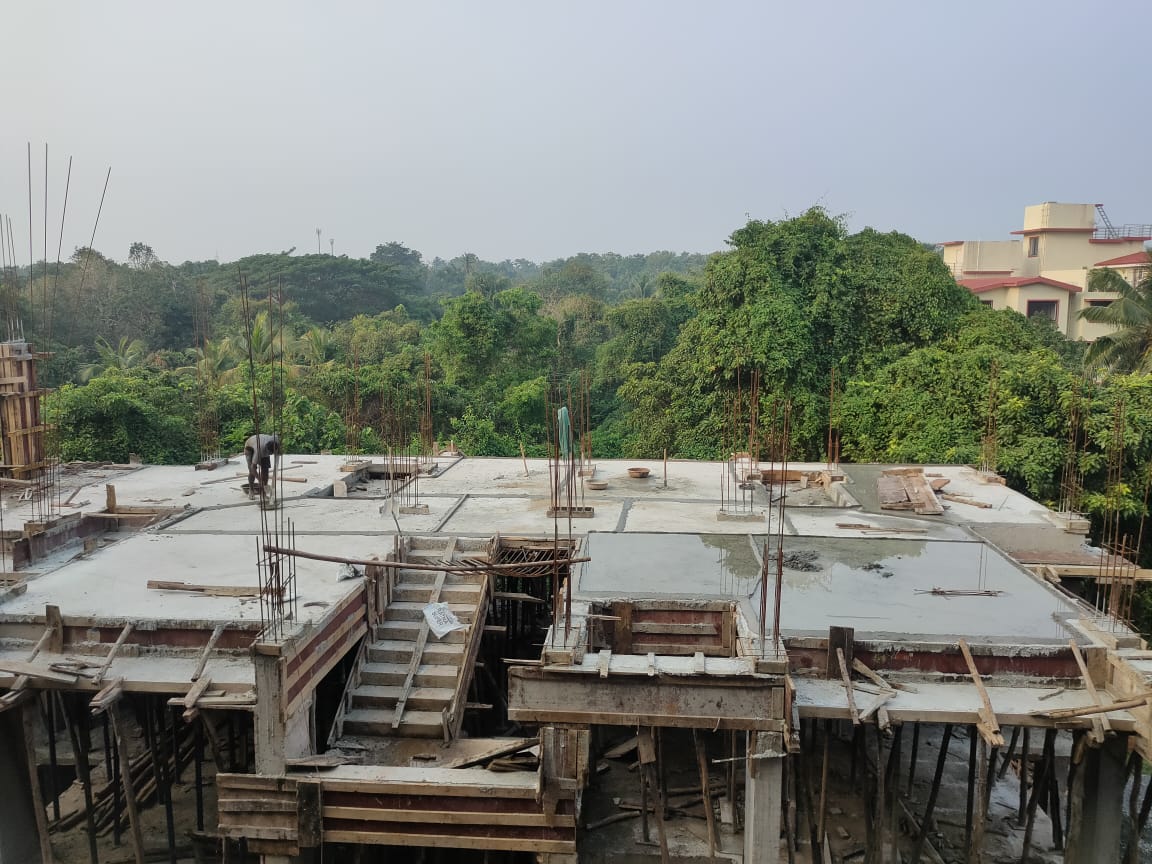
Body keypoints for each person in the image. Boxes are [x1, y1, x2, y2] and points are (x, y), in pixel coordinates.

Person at [244, 433, 281, 500]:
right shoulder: (259, 450)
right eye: (269, 453)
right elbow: (253, 467)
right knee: (251, 471)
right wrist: (259, 480)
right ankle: (251, 490)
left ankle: (263, 493)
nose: (270, 454)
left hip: (261, 444)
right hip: (250, 447)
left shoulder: (276, 440)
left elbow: (275, 434)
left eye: (271, 453)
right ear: (266, 449)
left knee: (265, 471)